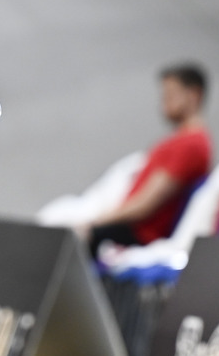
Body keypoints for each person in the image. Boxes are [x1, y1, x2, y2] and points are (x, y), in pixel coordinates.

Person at [86, 63, 212, 252]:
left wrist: (97, 222)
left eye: (170, 95)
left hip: (141, 235)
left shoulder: (191, 144)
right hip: (131, 229)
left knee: (80, 236)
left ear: (194, 95)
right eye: (164, 96)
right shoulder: (181, 140)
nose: (164, 103)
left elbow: (145, 204)